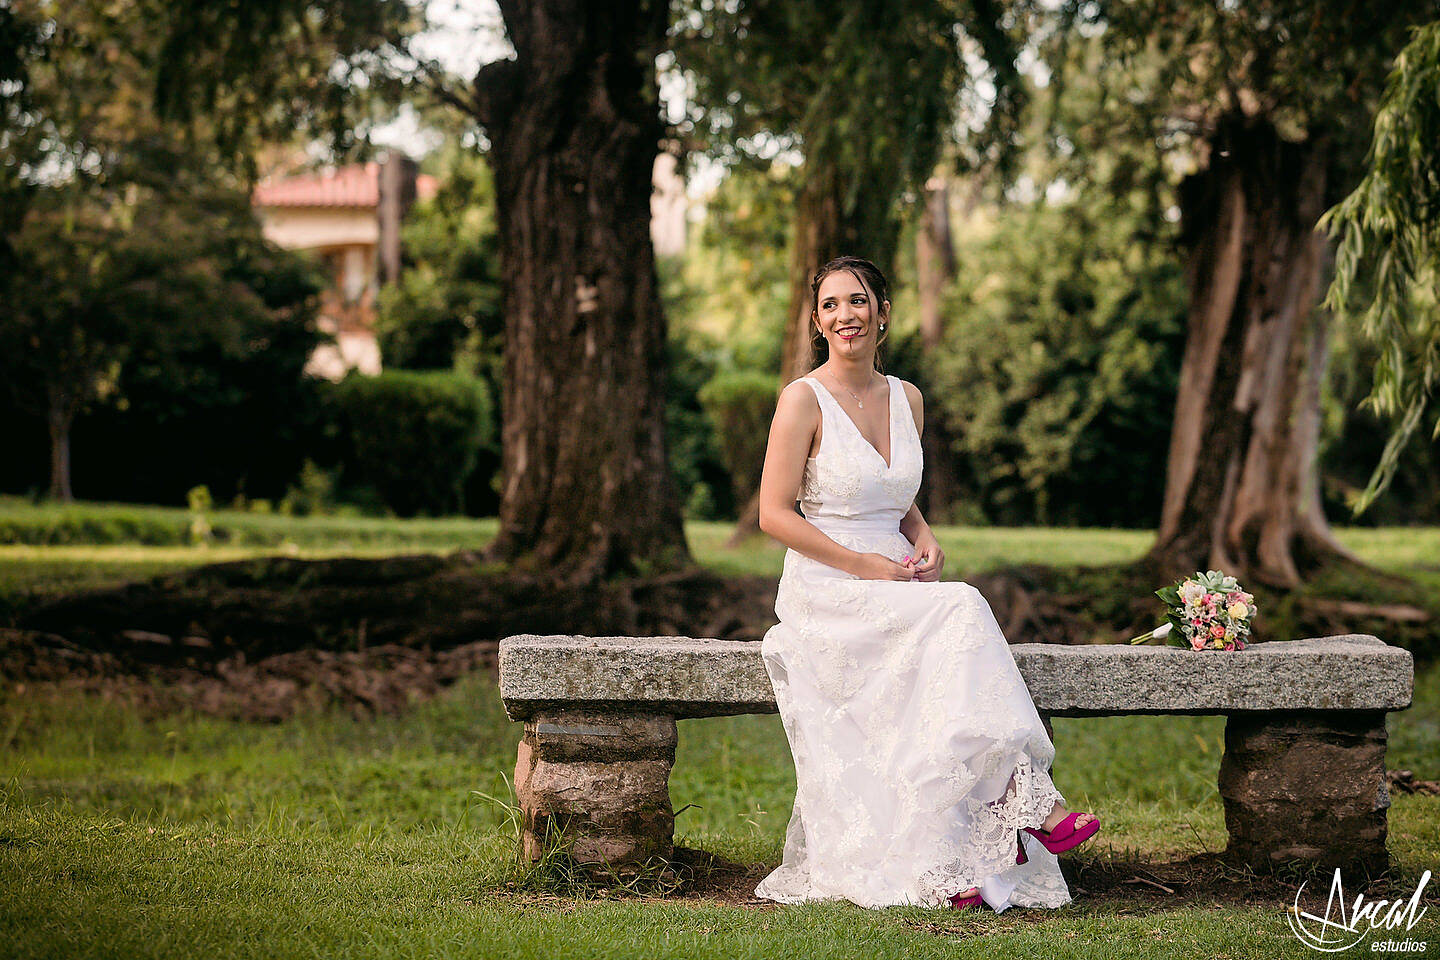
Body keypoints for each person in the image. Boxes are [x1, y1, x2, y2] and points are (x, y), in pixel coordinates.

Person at [751, 255, 1099, 912]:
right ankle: (1027, 799)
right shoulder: (803, 398)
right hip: (831, 586)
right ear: (816, 319)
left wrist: (923, 535)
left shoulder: (907, 397)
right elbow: (773, 512)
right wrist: (863, 566)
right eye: (829, 305)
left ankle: (954, 863)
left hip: (899, 585)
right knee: (963, 606)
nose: (844, 316)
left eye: (857, 301)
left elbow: (891, 492)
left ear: (883, 312)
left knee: (946, 669)